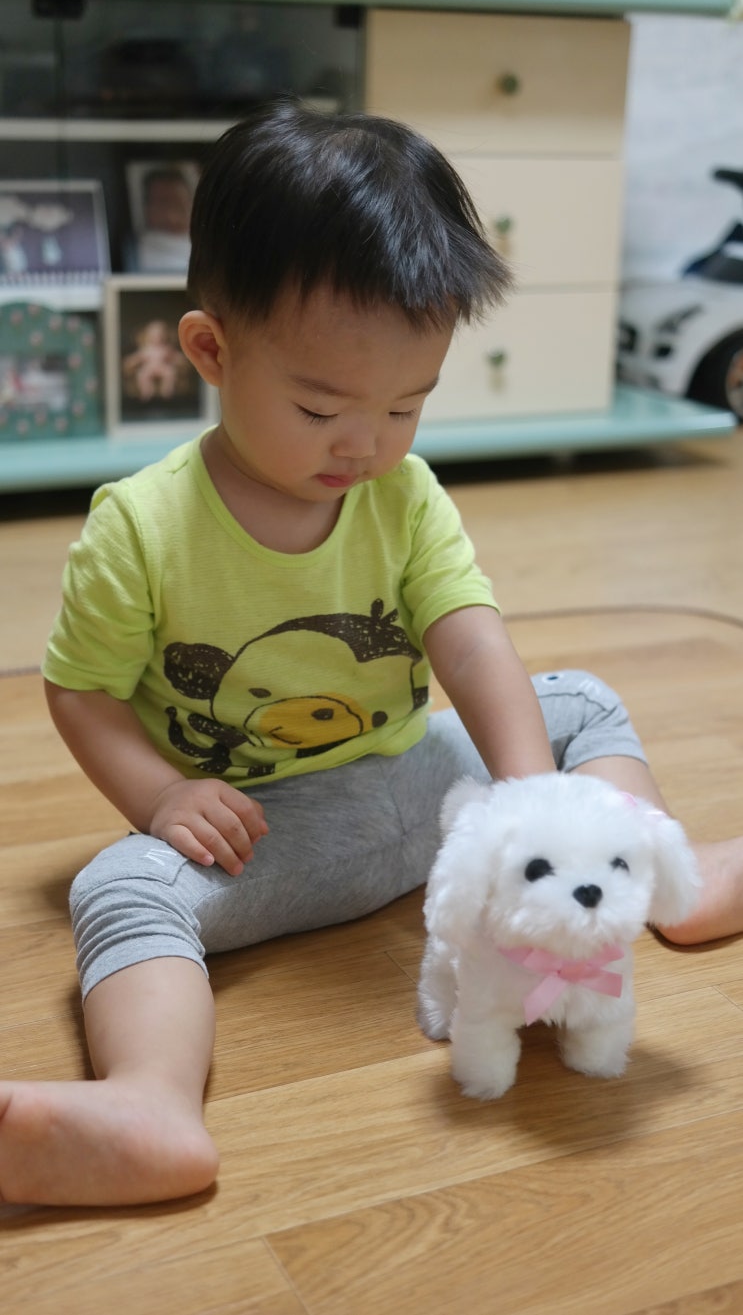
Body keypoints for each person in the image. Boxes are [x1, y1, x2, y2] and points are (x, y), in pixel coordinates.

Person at [0, 101, 740, 1210]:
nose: (366, 443)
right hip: (265, 833)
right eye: (319, 407)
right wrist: (160, 796)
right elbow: (80, 692)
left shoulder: (404, 493)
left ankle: (660, 879)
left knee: (574, 702)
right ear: (209, 350)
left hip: (425, 788)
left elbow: (467, 637)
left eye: (407, 405)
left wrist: (534, 802)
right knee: (114, 886)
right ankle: (149, 1100)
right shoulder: (140, 528)